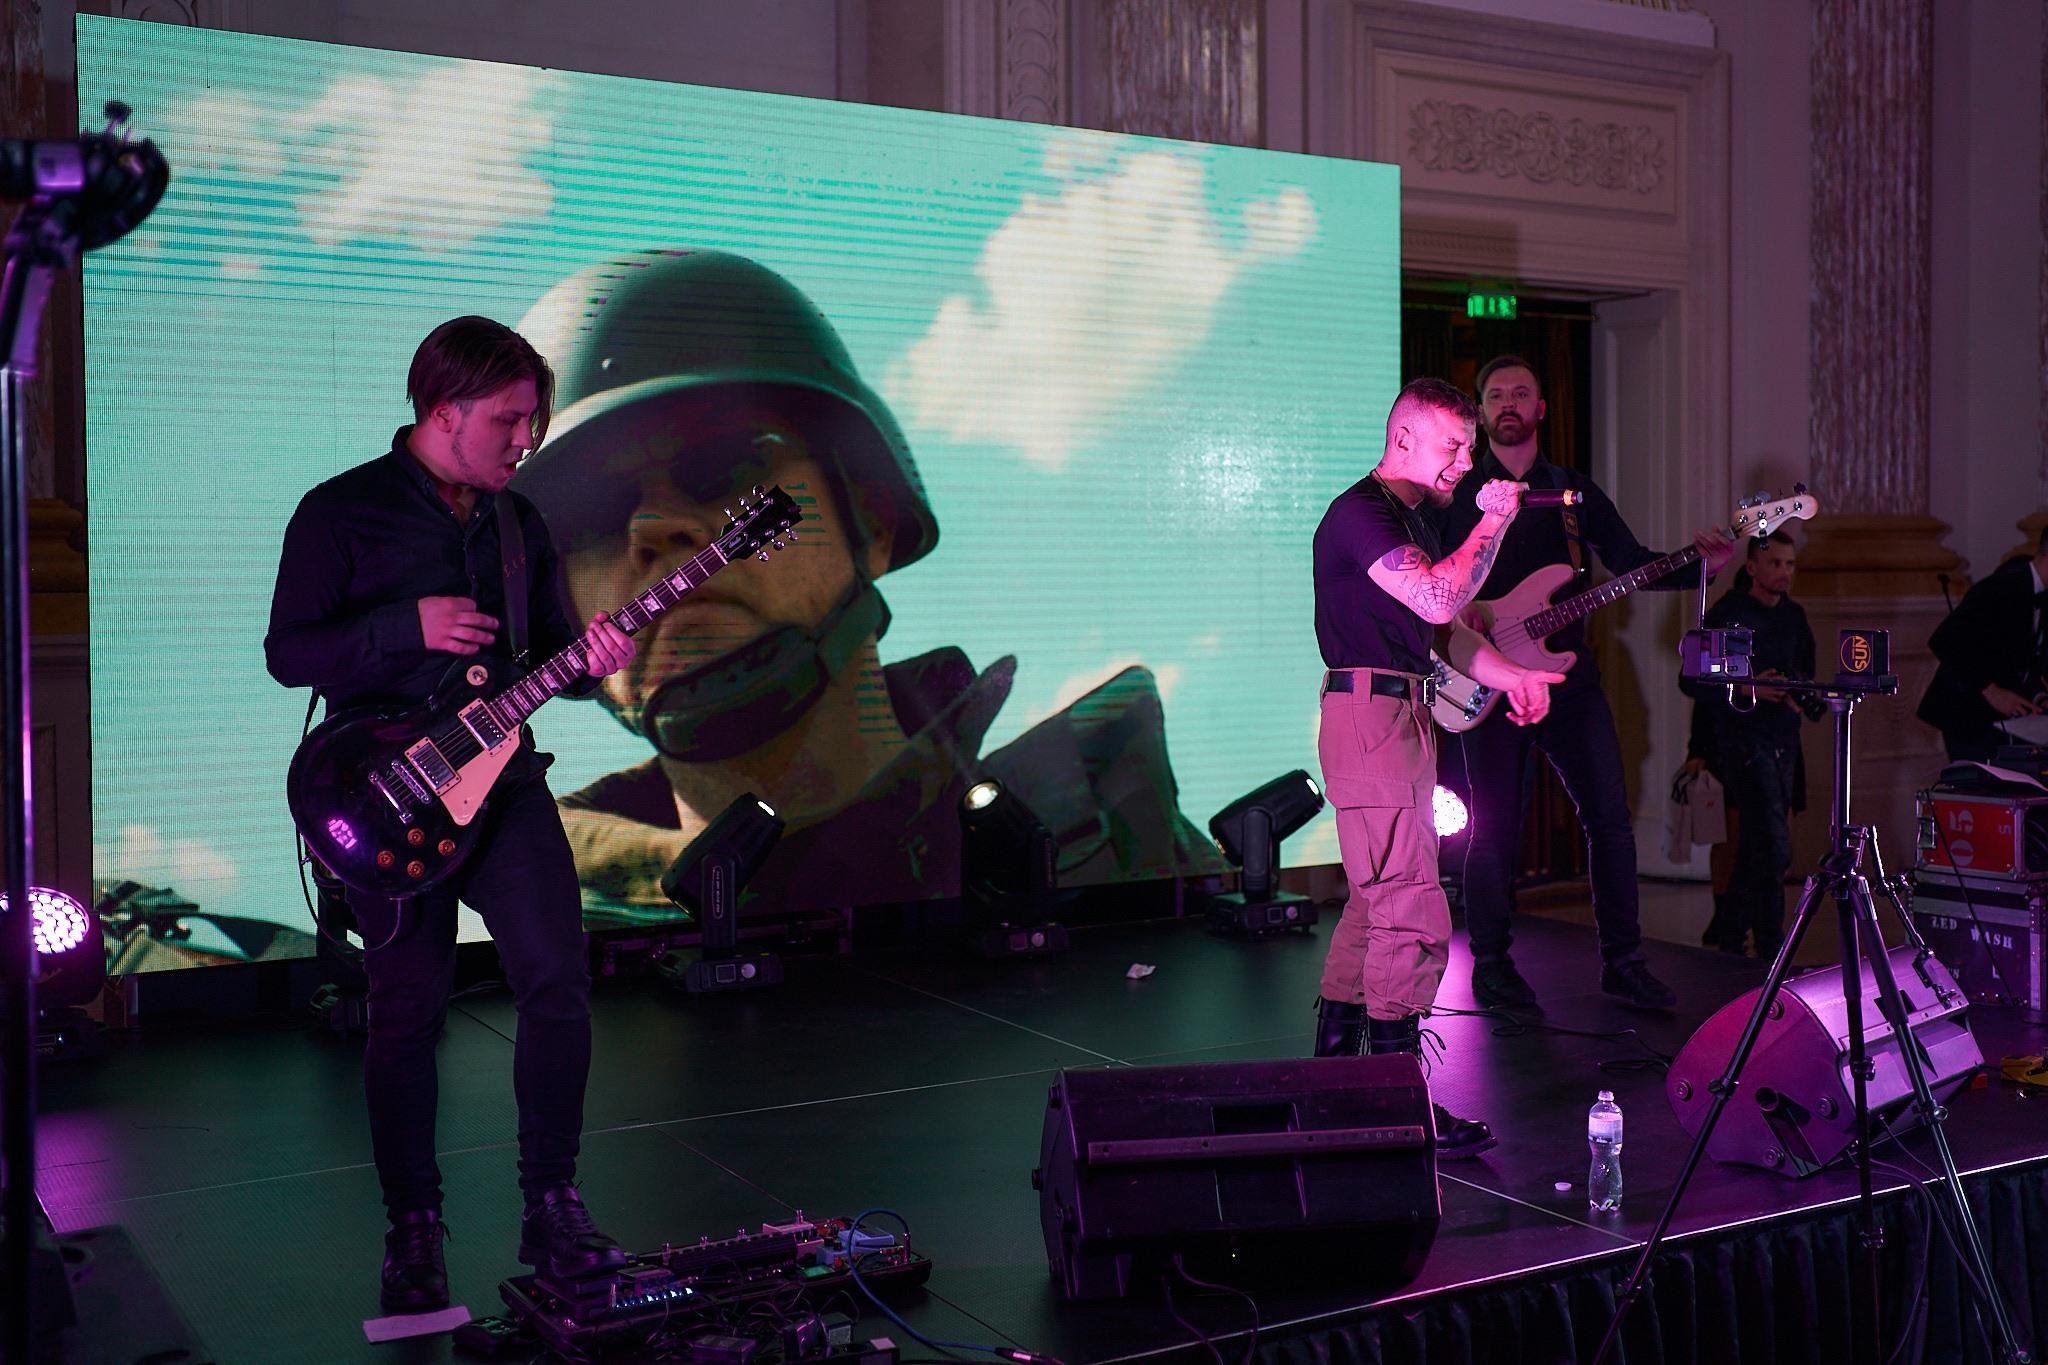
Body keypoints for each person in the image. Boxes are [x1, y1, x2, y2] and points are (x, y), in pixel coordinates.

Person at [508, 249, 1221, 922]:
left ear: (871, 523)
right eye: (591, 514)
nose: (656, 525)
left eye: (724, 464)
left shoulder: (1120, 868)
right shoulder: (545, 958)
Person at [265, 317, 639, 1315]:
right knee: (407, 1012)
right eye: (509, 419)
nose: (525, 438)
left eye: (533, 420)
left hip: (503, 785)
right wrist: (404, 627)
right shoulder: (340, 511)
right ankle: (414, 1229)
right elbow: (289, 652)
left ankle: (552, 1205)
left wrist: (592, 660)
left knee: (557, 979)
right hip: (385, 798)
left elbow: (545, 657)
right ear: (443, 410)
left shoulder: (520, 524)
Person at [1427, 355, 1737, 1012]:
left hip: (1568, 681)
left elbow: (1631, 563)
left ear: (1541, 409)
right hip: (1489, 680)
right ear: (1481, 414)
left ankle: (1624, 963)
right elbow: (1430, 583)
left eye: (1521, 392)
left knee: (1610, 821)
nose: (1509, 402)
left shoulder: (1573, 493)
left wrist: (1703, 568)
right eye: (1496, 395)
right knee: (1493, 828)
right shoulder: (1456, 494)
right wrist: (1462, 616)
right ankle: (1491, 965)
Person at [1311, 377, 1565, 1159]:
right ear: (1404, 439)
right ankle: (1398, 1105)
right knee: (1411, 908)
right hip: (1371, 716)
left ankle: (1334, 1088)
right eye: (1453, 445)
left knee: (1374, 905)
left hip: (1401, 712)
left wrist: (1513, 676)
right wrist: (1493, 522)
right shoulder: (1361, 513)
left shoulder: (1410, 516)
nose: (1464, 459)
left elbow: (1443, 631)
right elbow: (1434, 597)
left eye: (1468, 446)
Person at [1680, 532, 1817, 957]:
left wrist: (1797, 694)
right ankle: (1770, 942)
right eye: (1775, 563)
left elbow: (1805, 672)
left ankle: (1730, 932)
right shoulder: (1729, 613)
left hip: (1783, 738)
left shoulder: (1794, 616)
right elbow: (1694, 680)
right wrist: (1747, 687)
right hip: (1741, 740)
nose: (1784, 572)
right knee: (1771, 844)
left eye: (1790, 564)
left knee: (1759, 843)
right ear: (1753, 567)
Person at [1916, 530, 2048, 762]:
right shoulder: (2003, 585)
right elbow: (1945, 639)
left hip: (1996, 717)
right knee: (1976, 780)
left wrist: (2039, 697)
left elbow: (2024, 657)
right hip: (1964, 709)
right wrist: (1991, 691)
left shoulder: (2041, 595)